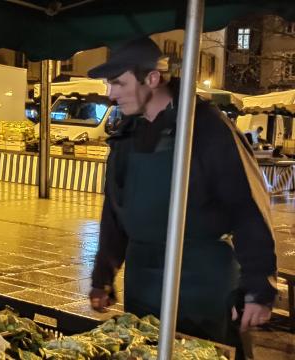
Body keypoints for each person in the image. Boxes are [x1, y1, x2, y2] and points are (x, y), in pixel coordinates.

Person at [87, 38, 277, 355]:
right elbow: (115, 212)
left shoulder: (207, 128)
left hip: (202, 281)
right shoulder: (127, 136)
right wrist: (102, 276)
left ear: (152, 78)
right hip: (143, 278)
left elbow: (247, 207)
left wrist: (259, 288)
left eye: (118, 82)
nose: (110, 93)